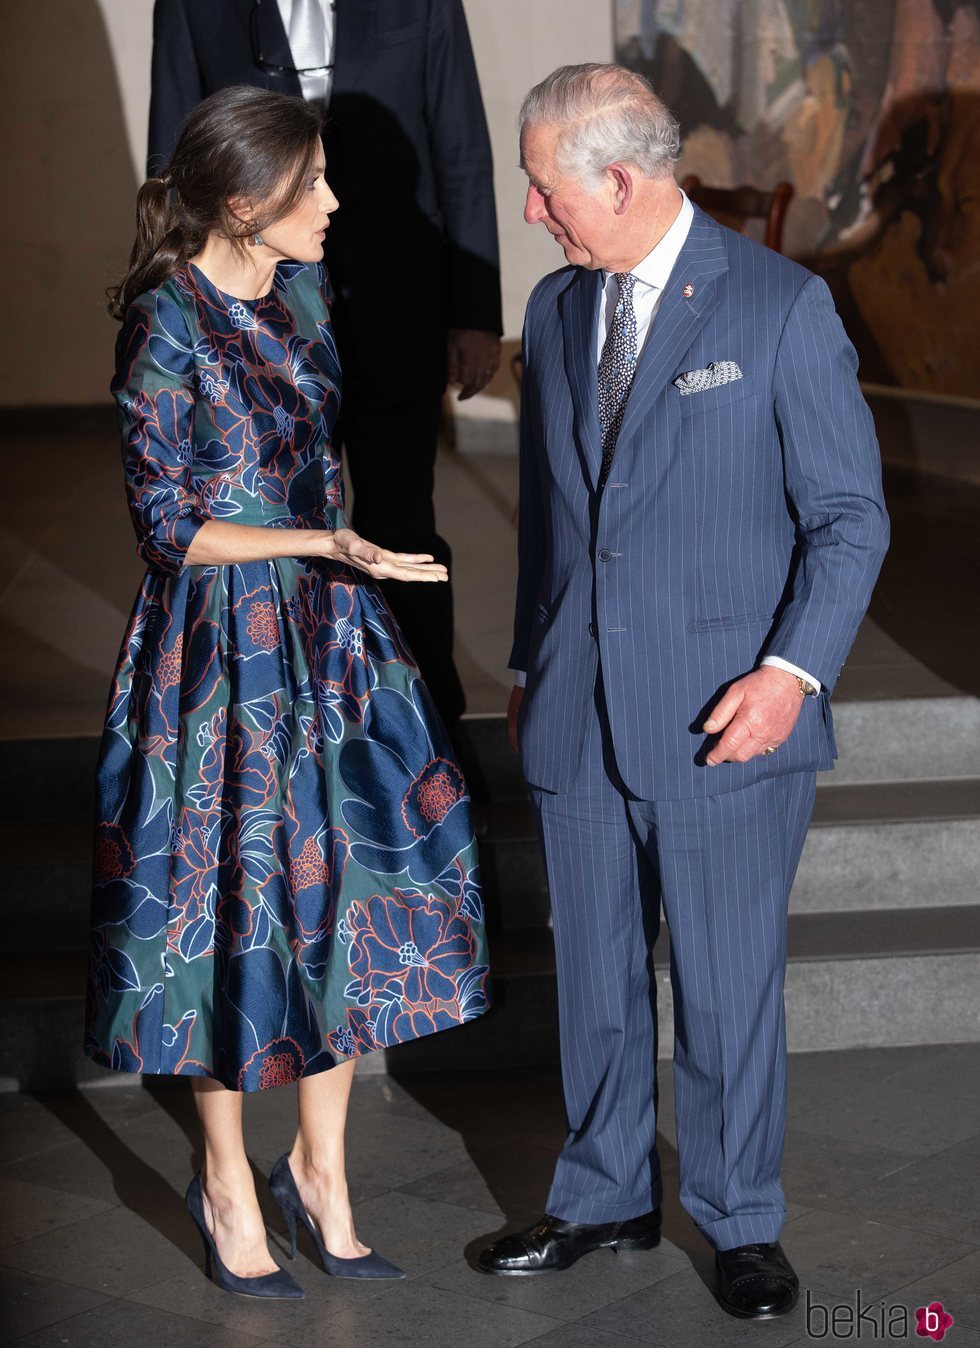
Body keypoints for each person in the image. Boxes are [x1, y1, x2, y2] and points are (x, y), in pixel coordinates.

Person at [477, 65, 889, 1319]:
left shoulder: (779, 307)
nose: (535, 213)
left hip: (727, 716)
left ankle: (738, 1218)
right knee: (596, 978)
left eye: (545, 190)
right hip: (576, 704)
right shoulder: (551, 314)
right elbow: (556, 522)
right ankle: (602, 1191)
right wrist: (524, 662)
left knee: (720, 984)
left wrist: (789, 673)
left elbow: (848, 519)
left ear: (618, 176)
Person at [85, 85, 490, 1299]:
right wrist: (321, 544)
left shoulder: (307, 290)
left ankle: (322, 1173)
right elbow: (169, 526)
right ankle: (224, 1175)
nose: (332, 202)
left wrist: (340, 550)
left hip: (329, 638)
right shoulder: (165, 317)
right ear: (243, 203)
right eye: (310, 185)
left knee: (350, 899)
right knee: (223, 907)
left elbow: (323, 463)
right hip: (219, 654)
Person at [147, 0, 504, 727]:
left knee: (404, 518)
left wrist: (475, 309)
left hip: (397, 301)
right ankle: (293, 719)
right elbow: (172, 152)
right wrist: (183, 307)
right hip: (252, 318)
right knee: (275, 516)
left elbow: (461, 144)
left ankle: (427, 721)